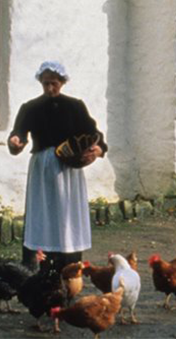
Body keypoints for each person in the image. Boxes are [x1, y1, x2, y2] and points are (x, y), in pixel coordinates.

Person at [8, 61, 106, 269]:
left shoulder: (75, 106)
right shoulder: (30, 108)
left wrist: (98, 150)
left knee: (67, 210)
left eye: (54, 83)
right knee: (42, 210)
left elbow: (94, 133)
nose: (50, 88)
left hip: (68, 167)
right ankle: (37, 259)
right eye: (46, 84)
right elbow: (19, 133)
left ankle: (69, 260)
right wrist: (15, 142)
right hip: (43, 165)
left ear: (62, 82)